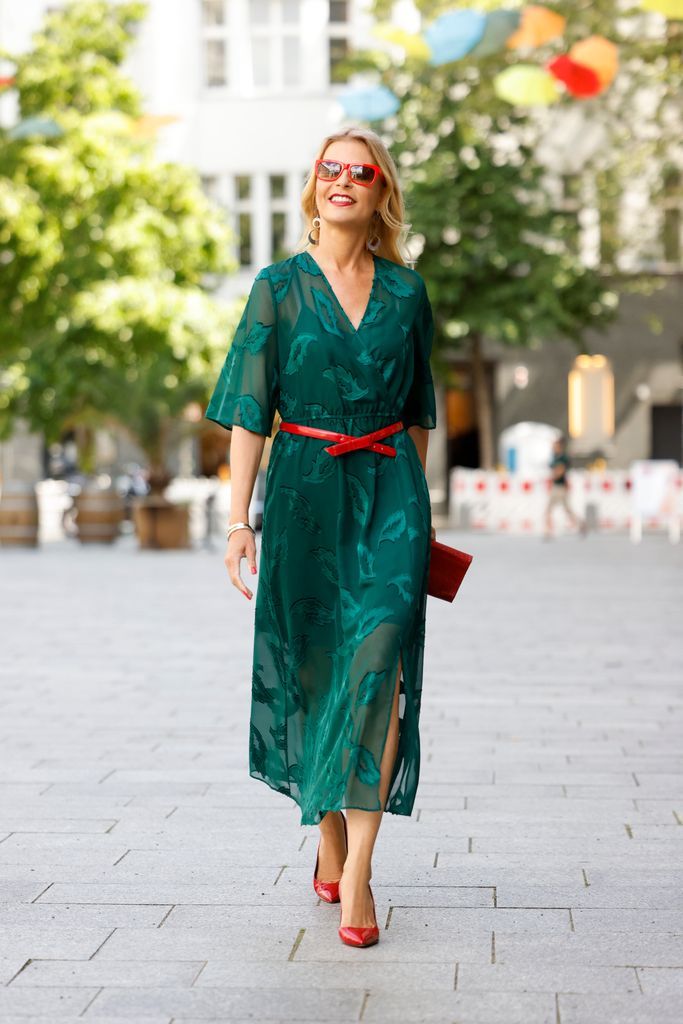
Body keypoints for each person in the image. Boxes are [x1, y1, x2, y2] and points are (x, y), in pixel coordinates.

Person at [205, 127, 437, 948]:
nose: (343, 180)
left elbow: (417, 418)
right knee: (313, 676)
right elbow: (246, 411)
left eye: (360, 171)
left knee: (379, 671)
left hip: (388, 497)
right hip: (302, 494)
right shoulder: (275, 287)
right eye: (328, 169)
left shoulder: (407, 295)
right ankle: (328, 830)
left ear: (380, 193)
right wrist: (238, 520)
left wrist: (417, 523)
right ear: (314, 187)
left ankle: (360, 873)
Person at [543, 434, 587, 539]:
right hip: (557, 486)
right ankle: (580, 525)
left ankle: (548, 531)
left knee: (554, 510)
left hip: (560, 487)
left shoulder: (562, 458)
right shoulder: (555, 457)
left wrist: (553, 476)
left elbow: (560, 471)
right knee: (561, 510)